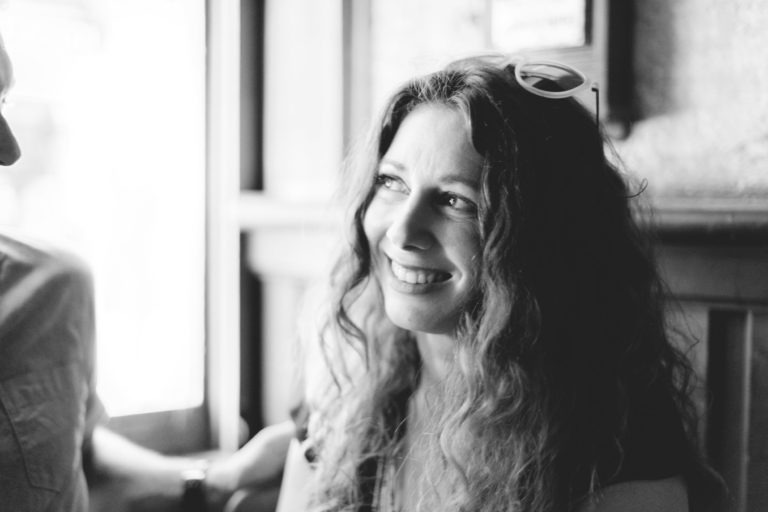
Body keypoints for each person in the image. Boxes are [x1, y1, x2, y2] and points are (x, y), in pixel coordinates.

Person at [276, 56, 724, 512]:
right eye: (391, 182)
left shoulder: (615, 441)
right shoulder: (351, 379)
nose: (402, 232)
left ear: (539, 237)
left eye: (455, 201)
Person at [1, 30, 291, 512]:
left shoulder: (52, 287)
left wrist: (218, 480)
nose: (10, 150)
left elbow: (70, 456)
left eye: (3, 100)